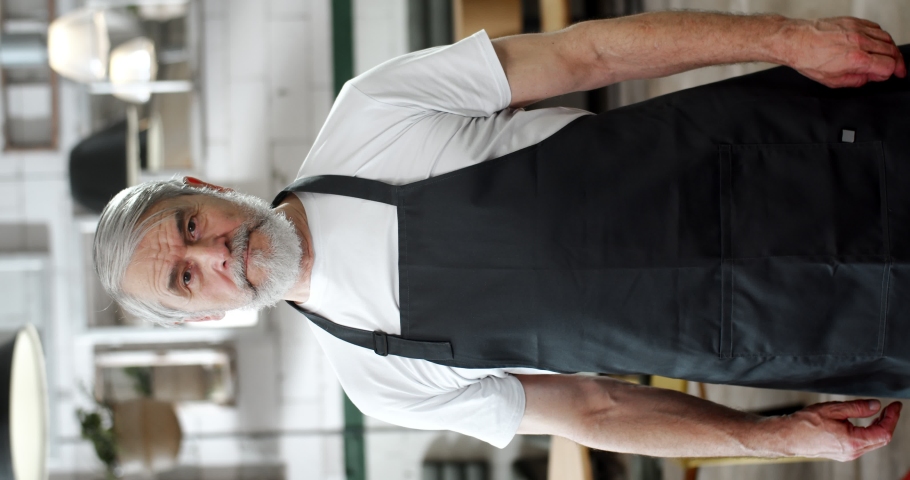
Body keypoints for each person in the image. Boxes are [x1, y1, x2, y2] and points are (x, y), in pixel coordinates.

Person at [94, 11, 909, 461]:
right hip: (799, 324)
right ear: (202, 317)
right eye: (186, 279)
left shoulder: (368, 114)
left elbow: (586, 52)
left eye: (189, 227)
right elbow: (594, 409)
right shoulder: (374, 379)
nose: (214, 255)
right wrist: (770, 438)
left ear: (202, 189)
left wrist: (782, 39)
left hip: (797, 159)